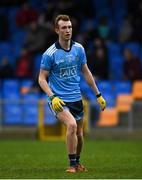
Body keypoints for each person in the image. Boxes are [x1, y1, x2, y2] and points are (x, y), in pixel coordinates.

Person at [38, 14, 106, 173]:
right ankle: (72, 165)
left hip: (76, 97)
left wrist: (98, 95)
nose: (67, 30)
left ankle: (78, 162)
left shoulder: (79, 49)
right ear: (57, 30)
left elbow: (86, 72)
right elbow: (41, 78)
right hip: (58, 100)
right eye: (63, 27)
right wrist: (52, 96)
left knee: (80, 135)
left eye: (69, 27)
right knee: (72, 125)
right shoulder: (50, 54)